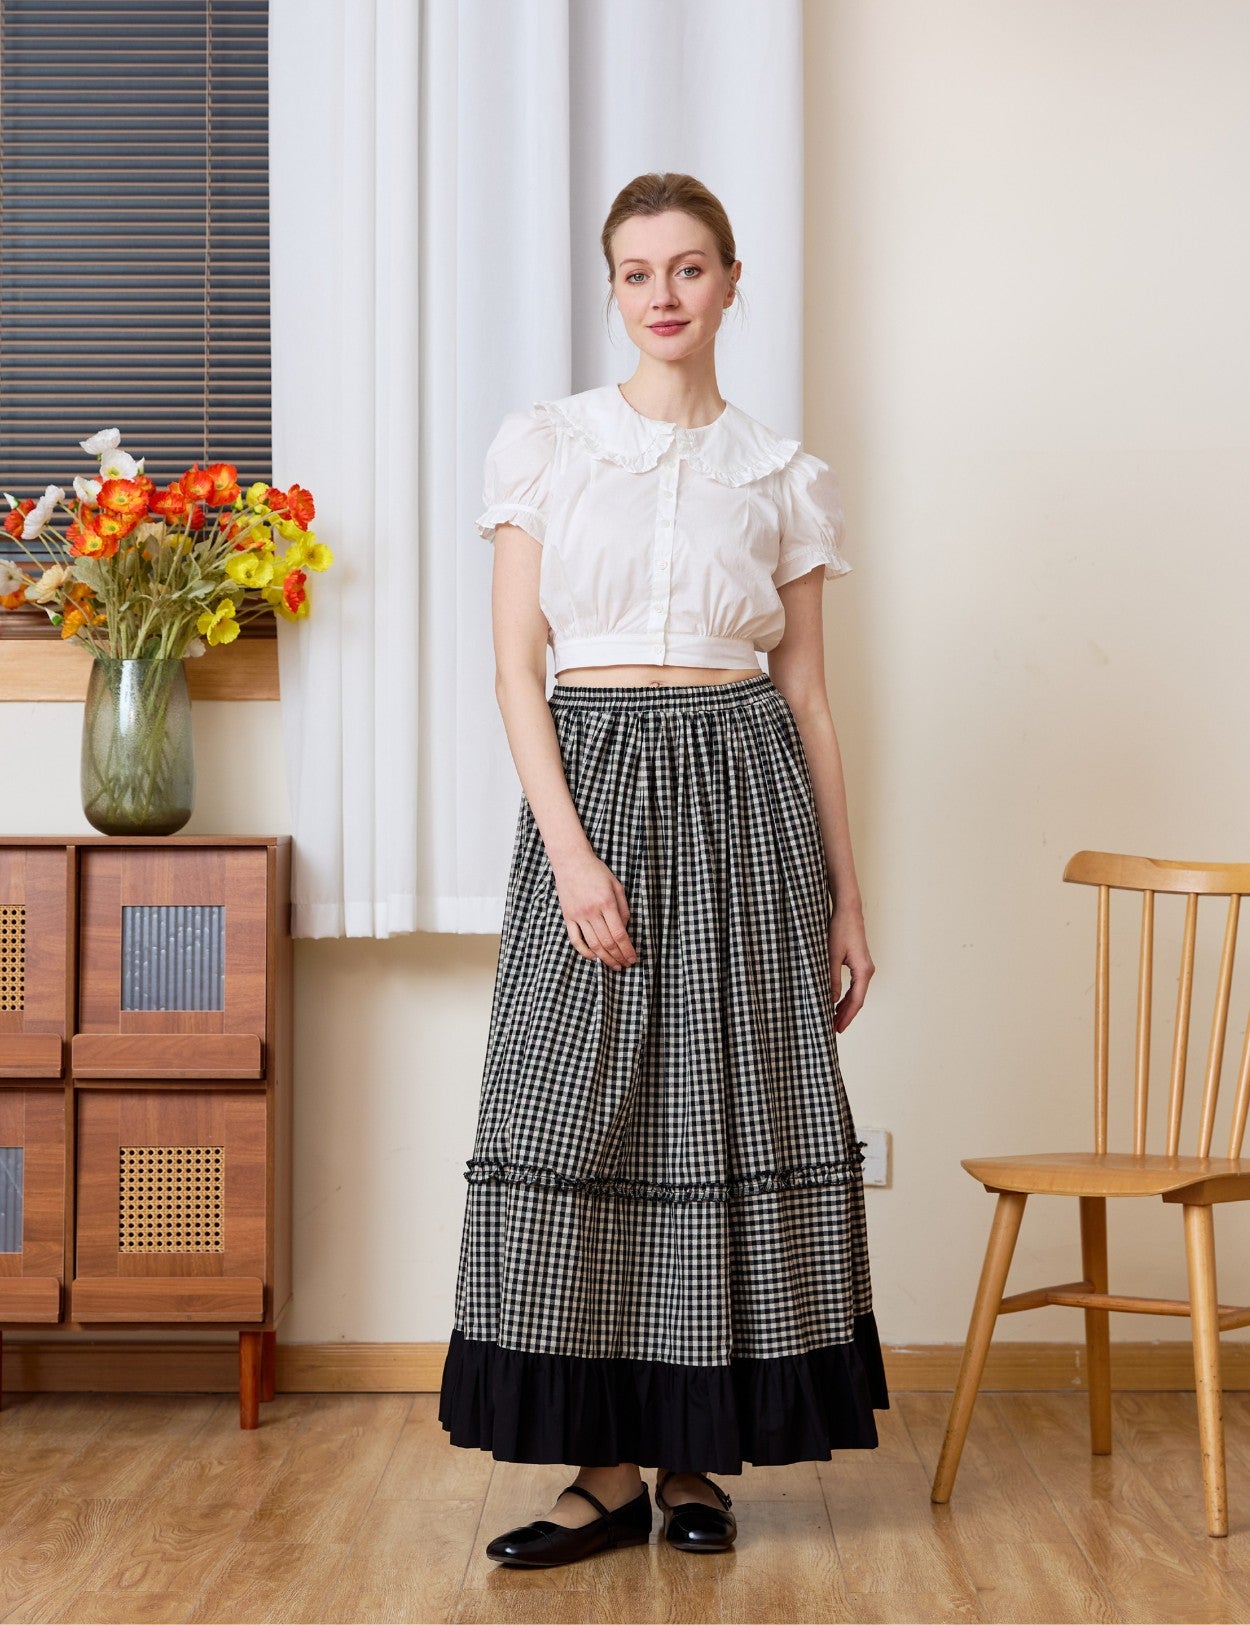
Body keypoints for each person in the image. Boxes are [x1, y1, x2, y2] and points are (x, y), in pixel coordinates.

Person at [438, 171, 888, 1567]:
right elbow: (515, 670)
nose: (664, 294)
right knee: (575, 1109)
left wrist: (846, 898)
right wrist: (572, 854)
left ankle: (693, 1466)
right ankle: (601, 1471)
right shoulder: (548, 446)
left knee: (721, 1115)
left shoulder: (780, 472)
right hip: (594, 781)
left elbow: (806, 696)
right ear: (613, 289)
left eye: (689, 267)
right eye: (638, 272)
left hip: (746, 795)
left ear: (731, 283)